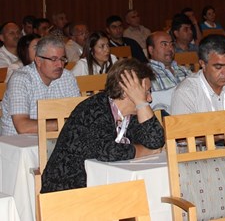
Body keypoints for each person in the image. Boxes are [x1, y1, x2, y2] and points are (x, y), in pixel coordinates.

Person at [40, 58, 164, 192]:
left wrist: (141, 103)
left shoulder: (133, 114)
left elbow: (156, 142)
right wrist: (144, 151)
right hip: (67, 190)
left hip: (103, 185)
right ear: (126, 91)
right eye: (146, 92)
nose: (150, 99)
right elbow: (107, 151)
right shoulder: (93, 109)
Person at [1, 36, 80, 136]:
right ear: (38, 61)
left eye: (62, 59)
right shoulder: (20, 79)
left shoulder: (67, 77)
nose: (60, 65)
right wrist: (67, 123)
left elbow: (78, 114)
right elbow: (23, 127)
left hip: (55, 138)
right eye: (53, 59)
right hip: (18, 141)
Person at [147, 30, 190, 115]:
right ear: (151, 50)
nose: (170, 48)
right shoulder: (145, 74)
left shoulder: (185, 70)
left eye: (171, 44)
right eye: (164, 44)